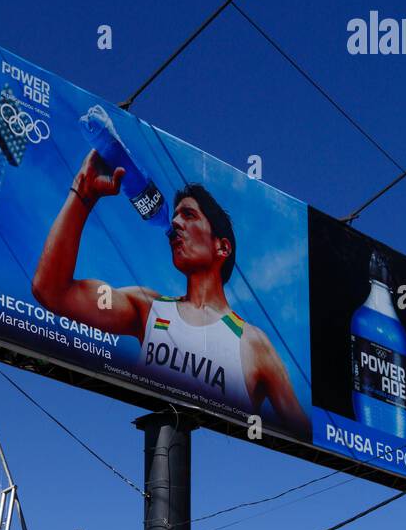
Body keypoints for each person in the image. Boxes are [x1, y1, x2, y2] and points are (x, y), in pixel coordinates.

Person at [32, 160, 311, 437]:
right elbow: (51, 291)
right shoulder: (147, 308)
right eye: (175, 215)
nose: (174, 223)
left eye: (189, 215)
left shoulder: (254, 344)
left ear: (222, 246)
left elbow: (307, 435)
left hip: (233, 480)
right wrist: (83, 194)